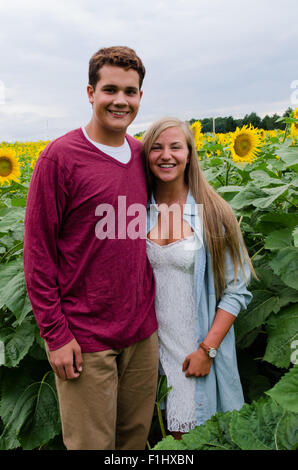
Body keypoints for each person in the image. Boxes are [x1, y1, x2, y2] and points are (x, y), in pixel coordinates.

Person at [23, 46, 159, 450]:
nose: (121, 101)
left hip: (141, 335)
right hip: (85, 340)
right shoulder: (59, 159)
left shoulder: (141, 156)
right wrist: (55, 335)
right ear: (90, 92)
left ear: (139, 97)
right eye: (110, 89)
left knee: (134, 442)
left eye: (131, 92)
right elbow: (38, 255)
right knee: (91, 446)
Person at [142, 117, 255, 440]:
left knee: (194, 436)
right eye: (157, 147)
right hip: (149, 354)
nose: (167, 155)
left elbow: (236, 291)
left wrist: (208, 350)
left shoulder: (214, 212)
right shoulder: (137, 210)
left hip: (195, 351)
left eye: (176, 147)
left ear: (189, 154)